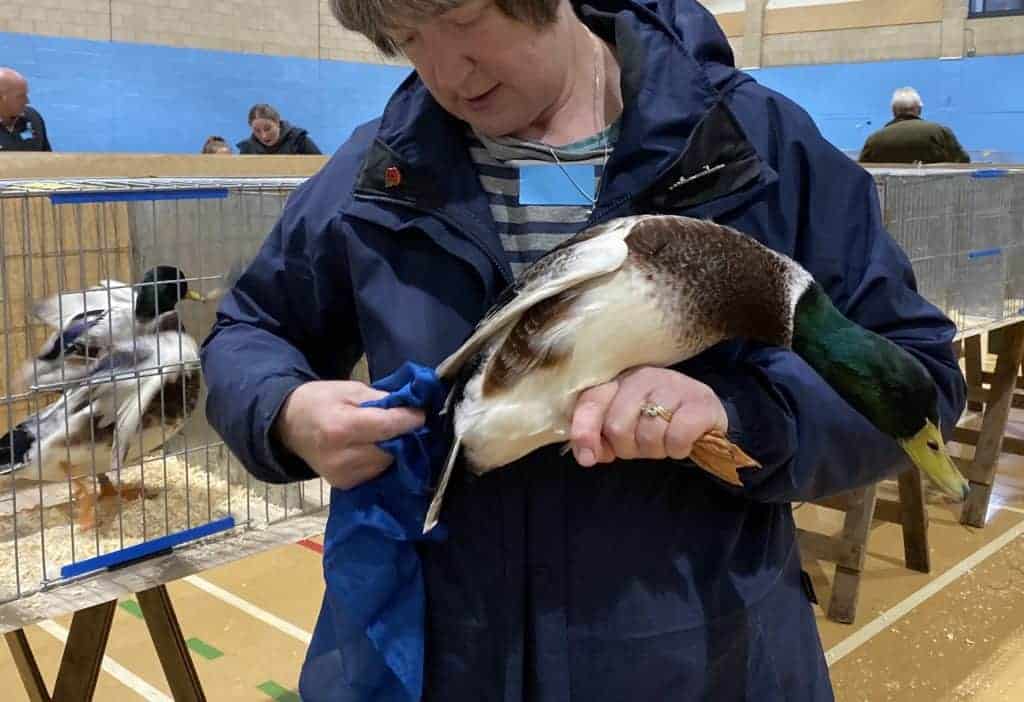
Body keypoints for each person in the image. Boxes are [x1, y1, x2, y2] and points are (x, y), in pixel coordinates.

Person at [202, 1, 966, 700]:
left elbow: (916, 372)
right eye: (406, 39)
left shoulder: (753, 146)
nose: (443, 73)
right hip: (443, 661)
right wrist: (286, 410)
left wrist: (746, 414)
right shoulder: (379, 174)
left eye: (460, 17)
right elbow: (248, 331)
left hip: (700, 662)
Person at [859, 87, 970, 164]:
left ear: (893, 111)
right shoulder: (941, 133)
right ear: (920, 109)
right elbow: (963, 161)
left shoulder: (874, 140)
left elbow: (862, 172)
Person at [0, 67, 52, 152]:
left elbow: (47, 158)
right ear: (1, 98)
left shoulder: (33, 118)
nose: (27, 101)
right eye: (20, 96)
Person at [237, 103, 321, 155]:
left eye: (268, 129)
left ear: (277, 123)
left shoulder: (299, 141)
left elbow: (322, 171)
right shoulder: (247, 149)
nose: (264, 136)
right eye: (257, 131)